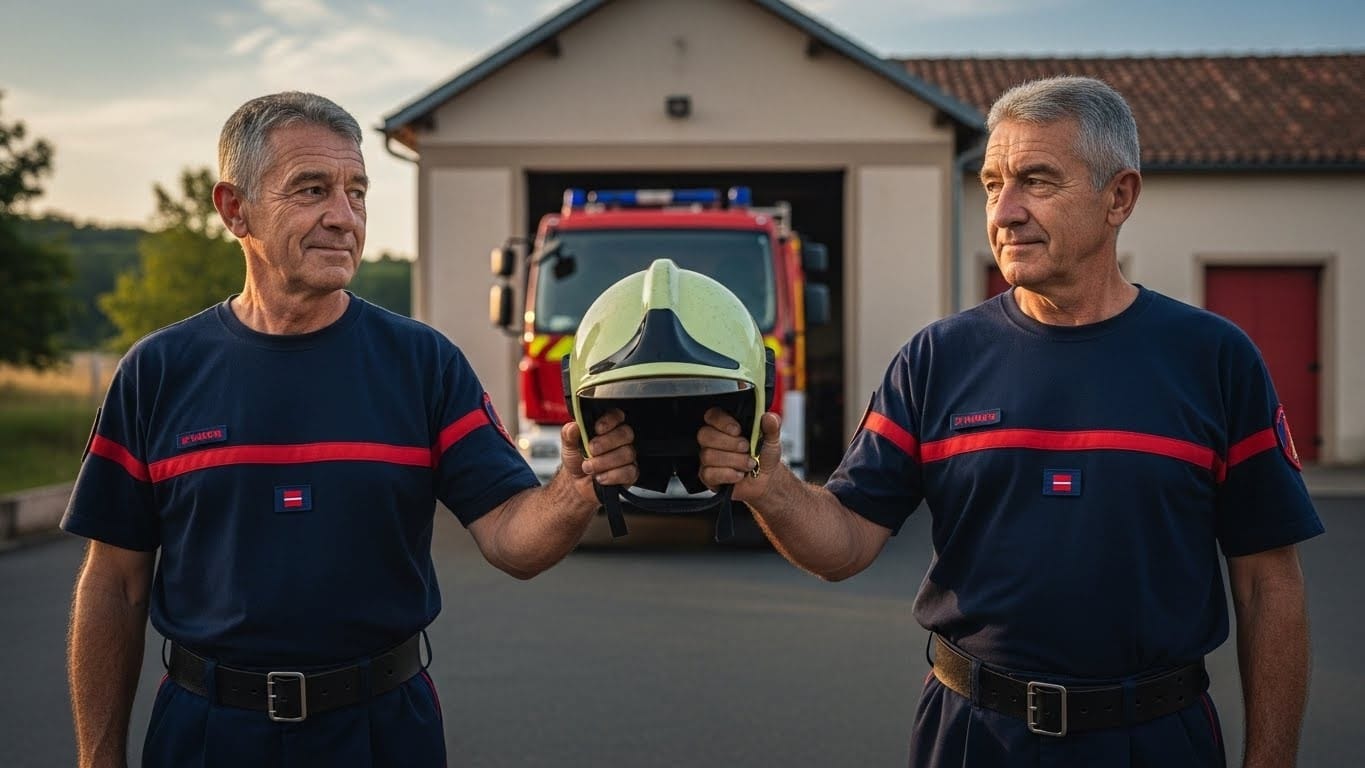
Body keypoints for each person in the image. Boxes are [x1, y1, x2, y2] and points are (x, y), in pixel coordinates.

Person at [698, 75, 1323, 767]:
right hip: (971, 737)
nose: (1004, 211)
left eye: (1036, 180)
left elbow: (1268, 583)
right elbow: (843, 545)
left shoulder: (1214, 359)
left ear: (1118, 196)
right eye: (992, 183)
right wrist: (768, 483)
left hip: (1152, 740)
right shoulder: (936, 358)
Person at [62, 91, 637, 768]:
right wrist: (98, 760)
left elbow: (513, 540)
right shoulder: (158, 371)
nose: (344, 217)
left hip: (381, 733)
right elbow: (115, 584)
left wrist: (572, 491)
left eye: (357, 192)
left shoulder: (422, 364)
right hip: (207, 735)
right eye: (312, 190)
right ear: (233, 208)